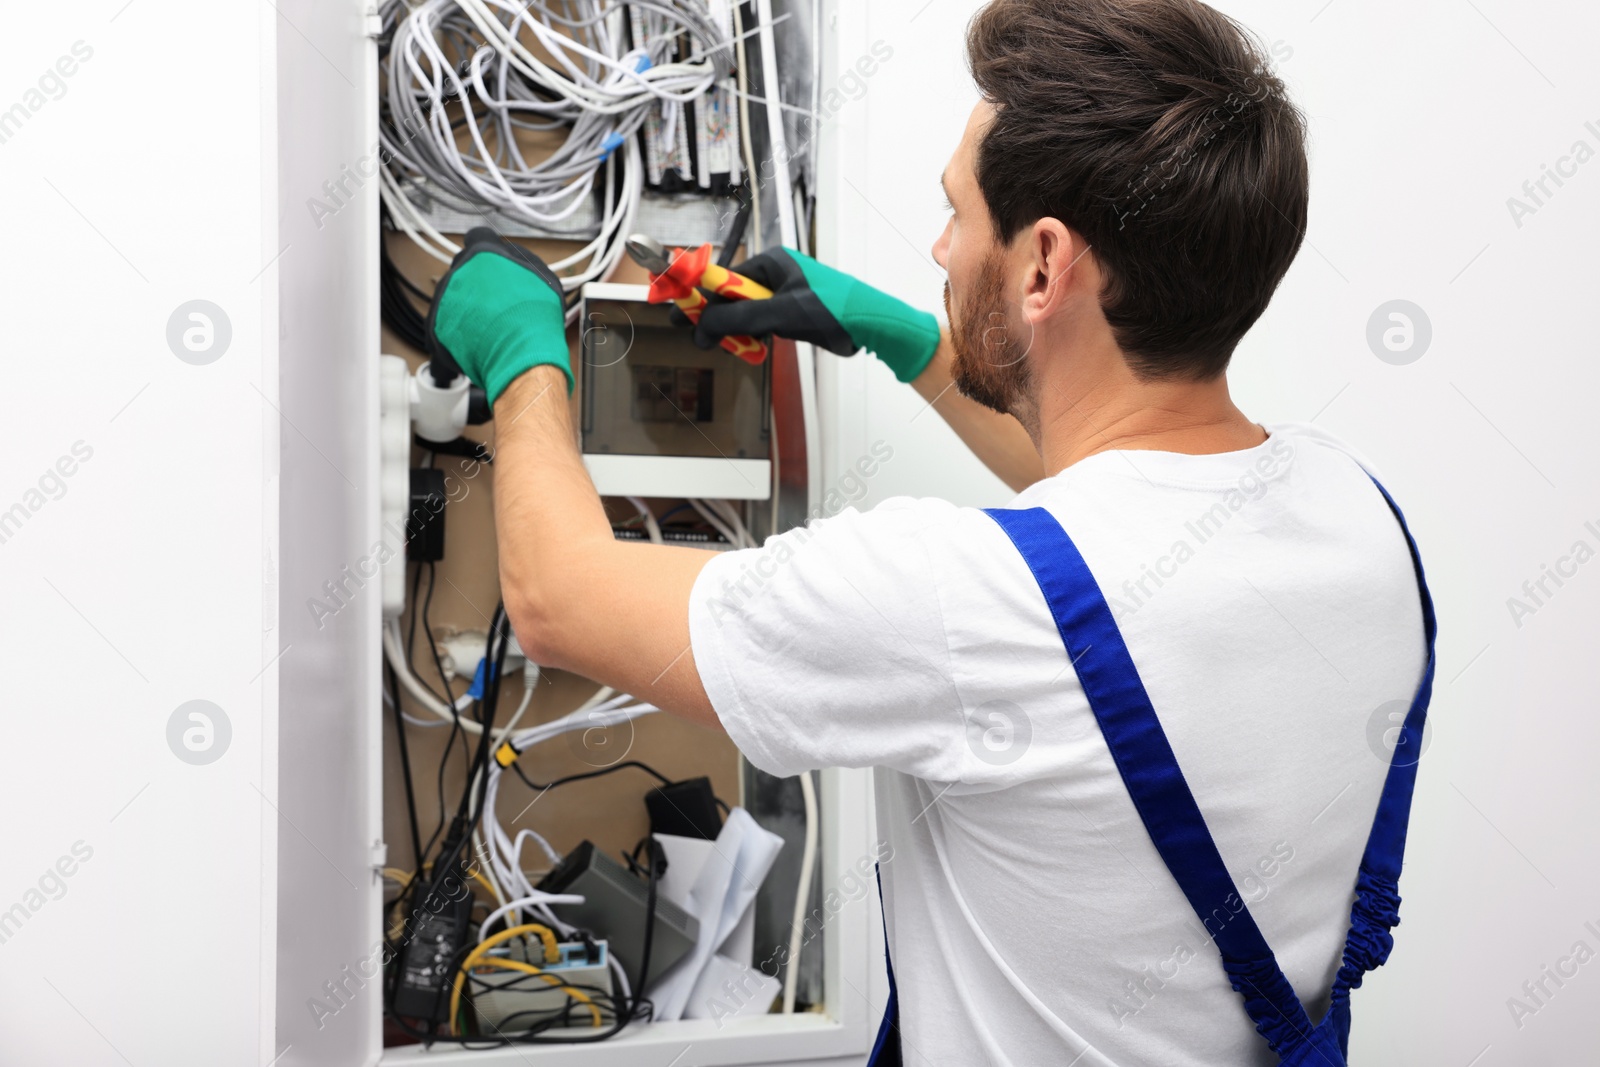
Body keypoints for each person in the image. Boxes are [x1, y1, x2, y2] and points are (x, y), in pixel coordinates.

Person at [424, 0, 1436, 1062]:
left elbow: (555, 599)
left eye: (958, 214)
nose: (942, 248)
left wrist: (525, 358)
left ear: (1043, 266)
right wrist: (905, 338)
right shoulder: (1354, 512)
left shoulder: (957, 596)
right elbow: (1118, 501)